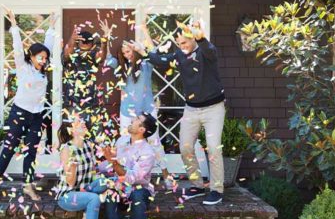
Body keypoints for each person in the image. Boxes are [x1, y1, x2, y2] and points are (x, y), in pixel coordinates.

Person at [141, 19, 226, 206]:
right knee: (185, 147)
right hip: (191, 109)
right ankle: (197, 184)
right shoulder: (179, 55)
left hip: (213, 109)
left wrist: (201, 37)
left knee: (213, 148)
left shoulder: (205, 53)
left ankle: (216, 189)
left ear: (193, 39)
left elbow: (211, 51)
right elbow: (159, 60)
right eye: (179, 44)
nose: (182, 46)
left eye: (185, 42)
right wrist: (145, 33)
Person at [0, 9, 56, 202]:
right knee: (9, 148)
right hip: (19, 113)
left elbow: (48, 45)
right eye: (40, 57)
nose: (43, 60)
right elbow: (18, 48)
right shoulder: (23, 67)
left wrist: (51, 27)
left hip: (37, 115)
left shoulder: (42, 69)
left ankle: (28, 185)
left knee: (31, 151)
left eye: (45, 57)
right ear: (32, 56)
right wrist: (14, 26)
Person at [105, 39, 174, 188]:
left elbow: (153, 52)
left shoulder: (146, 64)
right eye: (124, 53)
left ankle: (166, 174)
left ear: (135, 51)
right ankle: (126, 177)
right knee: (124, 144)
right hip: (126, 113)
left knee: (155, 143)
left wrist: (144, 31)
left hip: (146, 111)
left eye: (129, 51)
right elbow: (107, 59)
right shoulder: (121, 67)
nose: (126, 55)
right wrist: (107, 38)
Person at [101, 112, 158, 219]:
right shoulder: (122, 141)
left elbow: (133, 178)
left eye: (137, 120)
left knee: (138, 195)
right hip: (121, 188)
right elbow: (111, 167)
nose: (132, 120)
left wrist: (113, 162)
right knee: (109, 194)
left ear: (142, 130)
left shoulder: (148, 152)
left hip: (140, 189)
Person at [55, 117, 108, 219]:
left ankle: (85, 216)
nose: (84, 123)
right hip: (68, 195)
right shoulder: (66, 149)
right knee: (94, 199)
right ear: (71, 130)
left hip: (85, 190)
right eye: (79, 122)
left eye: (82, 121)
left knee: (107, 182)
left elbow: (92, 175)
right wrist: (71, 167)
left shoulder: (88, 145)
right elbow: (70, 182)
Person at [62, 18, 112, 132]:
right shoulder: (71, 54)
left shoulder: (94, 54)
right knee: (72, 136)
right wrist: (72, 39)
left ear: (92, 43)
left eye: (87, 41)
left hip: (92, 104)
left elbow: (102, 55)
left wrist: (105, 39)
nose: (84, 43)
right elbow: (67, 53)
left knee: (96, 136)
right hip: (72, 103)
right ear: (78, 41)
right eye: (82, 41)